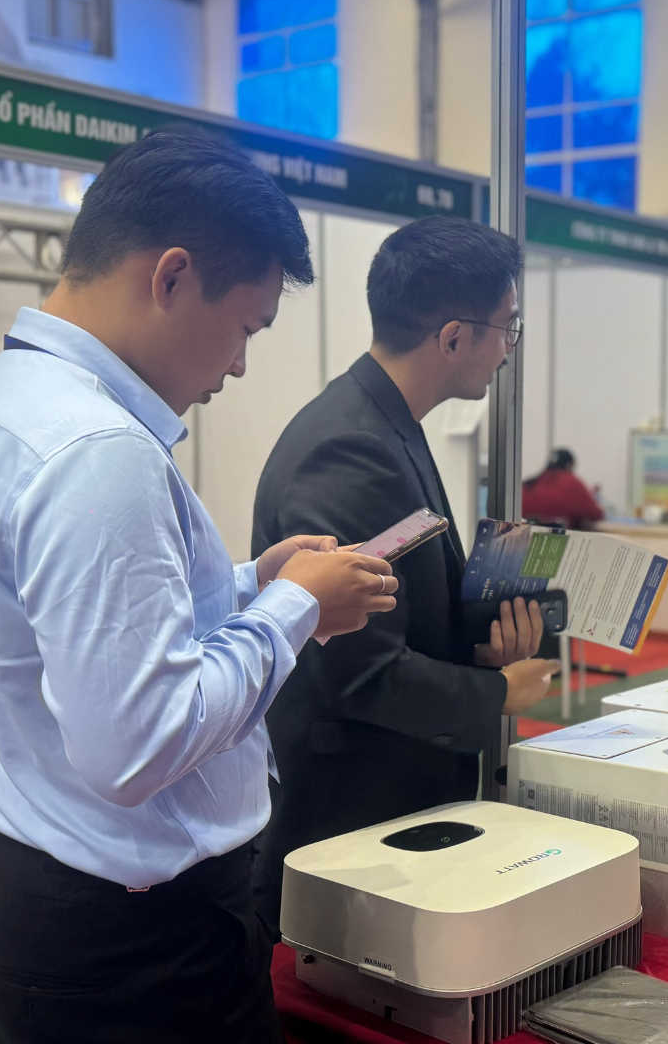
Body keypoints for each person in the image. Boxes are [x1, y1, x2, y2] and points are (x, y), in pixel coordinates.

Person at [0, 132, 398, 1044]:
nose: (239, 365)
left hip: (27, 882)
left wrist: (248, 585)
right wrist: (294, 610)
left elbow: (68, 629)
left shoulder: (0, 400)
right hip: (129, 949)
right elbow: (139, 744)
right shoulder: (98, 450)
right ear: (172, 277)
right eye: (247, 328)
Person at [250, 215, 559, 931]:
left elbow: (397, 606)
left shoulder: (385, 426)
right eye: (507, 328)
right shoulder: (350, 450)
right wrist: (499, 693)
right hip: (352, 810)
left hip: (385, 794)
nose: (508, 350)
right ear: (453, 338)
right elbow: (359, 670)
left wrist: (480, 641)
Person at [522, 448, 606, 529]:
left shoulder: (528, 484)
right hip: (558, 536)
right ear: (569, 465)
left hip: (524, 535)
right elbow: (597, 514)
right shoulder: (572, 484)